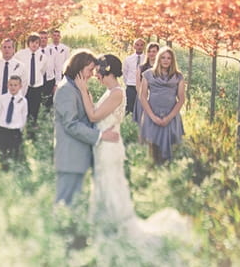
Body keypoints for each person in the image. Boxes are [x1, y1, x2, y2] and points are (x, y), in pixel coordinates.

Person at [74, 54, 191, 265]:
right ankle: (103, 223)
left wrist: (83, 91)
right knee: (103, 183)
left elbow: (93, 116)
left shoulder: (117, 93)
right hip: (103, 145)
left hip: (109, 148)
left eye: (97, 71)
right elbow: (95, 114)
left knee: (110, 183)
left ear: (106, 71)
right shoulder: (111, 92)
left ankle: (115, 227)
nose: (95, 75)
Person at [54, 49, 119, 206]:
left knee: (73, 203)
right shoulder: (66, 90)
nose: (92, 74)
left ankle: (70, 229)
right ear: (79, 67)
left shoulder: (77, 87)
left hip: (78, 156)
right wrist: (100, 135)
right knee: (64, 202)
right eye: (90, 70)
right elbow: (71, 124)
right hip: (70, 156)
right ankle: (58, 230)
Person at [138, 47, 185, 165]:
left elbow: (181, 99)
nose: (166, 60)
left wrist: (169, 118)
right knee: (152, 148)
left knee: (170, 148)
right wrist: (153, 117)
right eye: (163, 57)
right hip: (152, 114)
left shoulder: (178, 76)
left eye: (169, 58)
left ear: (172, 60)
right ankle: (152, 173)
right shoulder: (148, 74)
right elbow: (142, 97)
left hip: (171, 115)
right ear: (159, 58)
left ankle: (167, 173)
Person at [0, 38, 27, 163]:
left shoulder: (20, 67)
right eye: (4, 47)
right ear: (1, 49)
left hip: (14, 103)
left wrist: (15, 99)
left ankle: (13, 157)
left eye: (9, 47)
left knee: (12, 131)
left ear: (14, 49)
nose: (7, 50)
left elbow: (24, 84)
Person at [0, 75, 27, 170]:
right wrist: (2, 123)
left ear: (20, 86)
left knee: (15, 150)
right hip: (4, 129)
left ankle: (14, 167)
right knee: (3, 149)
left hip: (15, 130)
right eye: (11, 85)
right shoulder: (2, 98)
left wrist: (20, 127)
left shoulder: (23, 101)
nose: (13, 87)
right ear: (7, 85)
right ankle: (3, 167)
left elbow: (24, 115)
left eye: (15, 85)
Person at [15, 33, 48, 124]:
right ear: (28, 43)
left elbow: (43, 70)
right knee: (24, 106)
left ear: (39, 44)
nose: (34, 44)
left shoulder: (43, 57)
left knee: (35, 107)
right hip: (25, 86)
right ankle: (22, 125)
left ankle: (33, 125)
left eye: (37, 43)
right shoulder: (20, 55)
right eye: (32, 42)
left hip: (37, 85)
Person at [132, 41, 159, 126]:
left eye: (154, 51)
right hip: (143, 98)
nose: (151, 54)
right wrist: (144, 98)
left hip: (156, 99)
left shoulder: (161, 68)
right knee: (142, 124)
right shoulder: (141, 67)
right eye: (149, 51)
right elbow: (138, 85)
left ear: (158, 53)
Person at [122, 38, 146, 114]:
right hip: (131, 86)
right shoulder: (128, 59)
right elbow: (125, 72)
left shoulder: (146, 59)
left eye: (141, 45)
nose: (139, 47)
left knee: (141, 108)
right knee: (129, 108)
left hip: (143, 87)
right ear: (134, 46)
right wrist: (128, 83)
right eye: (137, 45)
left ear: (144, 47)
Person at [39, 30, 57, 108]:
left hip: (50, 79)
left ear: (48, 39)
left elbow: (58, 68)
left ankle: (47, 117)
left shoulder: (53, 51)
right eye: (41, 38)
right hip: (38, 80)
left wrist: (57, 84)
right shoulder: (34, 52)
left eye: (45, 38)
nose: (43, 40)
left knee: (49, 102)